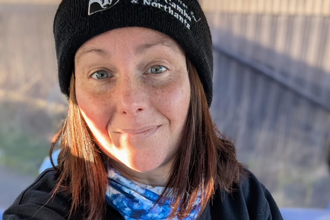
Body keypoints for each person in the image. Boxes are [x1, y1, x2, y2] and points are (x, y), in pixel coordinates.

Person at [3, 0, 283, 219]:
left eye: (156, 68)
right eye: (100, 74)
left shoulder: (246, 200)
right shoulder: (46, 211)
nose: (130, 102)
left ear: (193, 83)